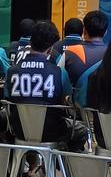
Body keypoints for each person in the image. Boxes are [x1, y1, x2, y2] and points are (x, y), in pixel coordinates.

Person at [5, 21, 87, 153]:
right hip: (51, 131)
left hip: (18, 129)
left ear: (30, 43)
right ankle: (60, 165)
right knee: (81, 130)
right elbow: (67, 100)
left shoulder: (12, 70)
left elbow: (7, 99)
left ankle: (26, 166)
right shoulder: (59, 72)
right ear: (50, 49)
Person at [60, 10, 108, 106]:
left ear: (84, 30)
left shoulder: (70, 52)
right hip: (105, 115)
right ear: (106, 32)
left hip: (76, 114)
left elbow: (59, 82)